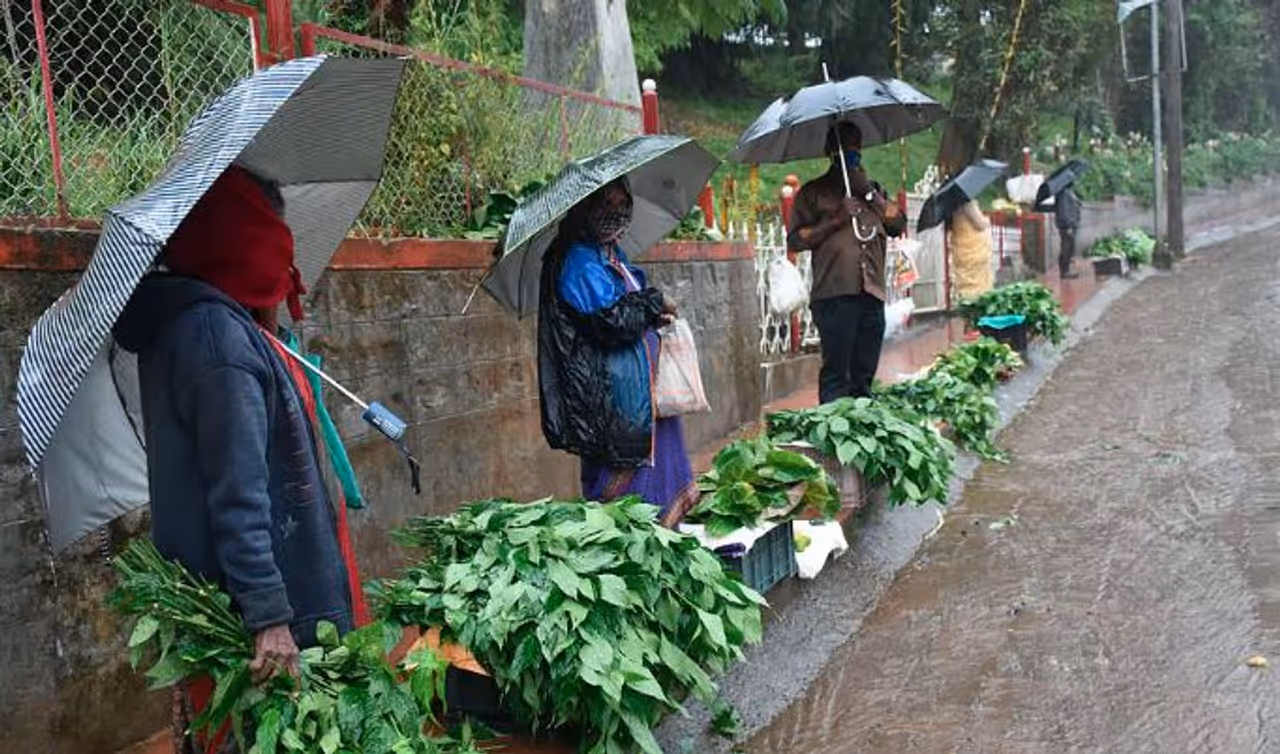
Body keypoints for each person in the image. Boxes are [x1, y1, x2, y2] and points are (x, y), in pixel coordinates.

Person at [114, 166, 357, 753]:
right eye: (273, 229)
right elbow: (238, 496)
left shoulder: (202, 320)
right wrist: (271, 619)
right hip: (251, 613)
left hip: (222, 595)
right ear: (237, 235)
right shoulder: (218, 342)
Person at [537, 178, 698, 527]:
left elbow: (631, 306)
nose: (616, 212)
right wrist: (654, 301)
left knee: (658, 489)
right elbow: (611, 320)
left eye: (622, 203)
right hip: (612, 405)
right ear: (584, 209)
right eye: (605, 204)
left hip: (641, 401)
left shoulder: (610, 253)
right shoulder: (576, 260)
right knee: (626, 507)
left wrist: (653, 311)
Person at [788, 122, 907, 403]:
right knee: (836, 374)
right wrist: (835, 220)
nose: (851, 153)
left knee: (863, 375)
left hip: (872, 293)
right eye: (844, 147)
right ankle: (830, 437)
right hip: (834, 296)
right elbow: (795, 240)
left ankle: (860, 434)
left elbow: (896, 223)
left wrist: (869, 194)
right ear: (830, 151)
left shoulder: (874, 191)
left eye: (855, 147)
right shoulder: (814, 193)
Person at [949, 198, 995, 300]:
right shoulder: (968, 203)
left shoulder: (951, 205)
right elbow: (981, 223)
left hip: (960, 244)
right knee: (976, 282)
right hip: (973, 247)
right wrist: (988, 220)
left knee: (964, 279)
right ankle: (975, 302)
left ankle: (964, 301)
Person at [1054, 184, 1082, 278]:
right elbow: (1064, 211)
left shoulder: (1068, 192)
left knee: (1070, 248)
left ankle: (1067, 270)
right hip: (1067, 226)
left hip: (1071, 225)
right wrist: (1068, 226)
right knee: (1066, 248)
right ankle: (1064, 271)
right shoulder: (1063, 194)